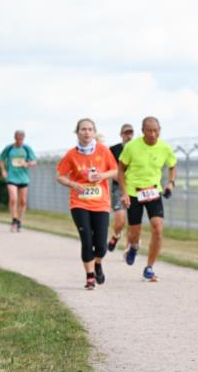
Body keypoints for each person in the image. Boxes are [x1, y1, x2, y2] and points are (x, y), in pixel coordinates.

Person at [56, 118, 118, 290]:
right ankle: (90, 276)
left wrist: (103, 176)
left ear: (94, 132)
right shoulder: (71, 154)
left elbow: (115, 170)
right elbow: (60, 175)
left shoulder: (103, 151)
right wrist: (72, 184)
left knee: (101, 245)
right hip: (79, 203)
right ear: (77, 132)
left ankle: (97, 264)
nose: (87, 132)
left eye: (90, 129)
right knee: (86, 239)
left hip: (101, 203)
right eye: (83, 129)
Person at [117, 116, 177, 281]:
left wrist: (170, 183)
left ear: (160, 130)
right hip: (134, 193)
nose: (152, 134)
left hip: (153, 192)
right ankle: (134, 247)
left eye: (156, 130)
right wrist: (124, 193)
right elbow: (120, 170)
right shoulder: (131, 147)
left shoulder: (164, 148)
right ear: (142, 131)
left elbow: (172, 166)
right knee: (134, 232)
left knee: (158, 229)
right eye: (149, 131)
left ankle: (149, 267)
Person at [0, 130, 38, 232]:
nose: (20, 140)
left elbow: (34, 161)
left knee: (23, 201)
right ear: (15, 138)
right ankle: (14, 220)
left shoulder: (26, 148)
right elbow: (1, 159)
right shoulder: (9, 148)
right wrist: (3, 170)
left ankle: (20, 221)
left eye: (22, 138)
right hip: (12, 177)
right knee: (13, 199)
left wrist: (28, 164)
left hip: (23, 178)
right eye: (18, 138)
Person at [107, 123, 135, 252]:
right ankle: (117, 234)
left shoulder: (138, 148)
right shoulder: (113, 149)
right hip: (118, 188)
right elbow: (109, 168)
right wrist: (118, 177)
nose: (128, 136)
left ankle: (129, 247)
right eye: (126, 133)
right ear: (121, 135)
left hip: (135, 188)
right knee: (120, 221)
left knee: (134, 221)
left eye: (130, 133)